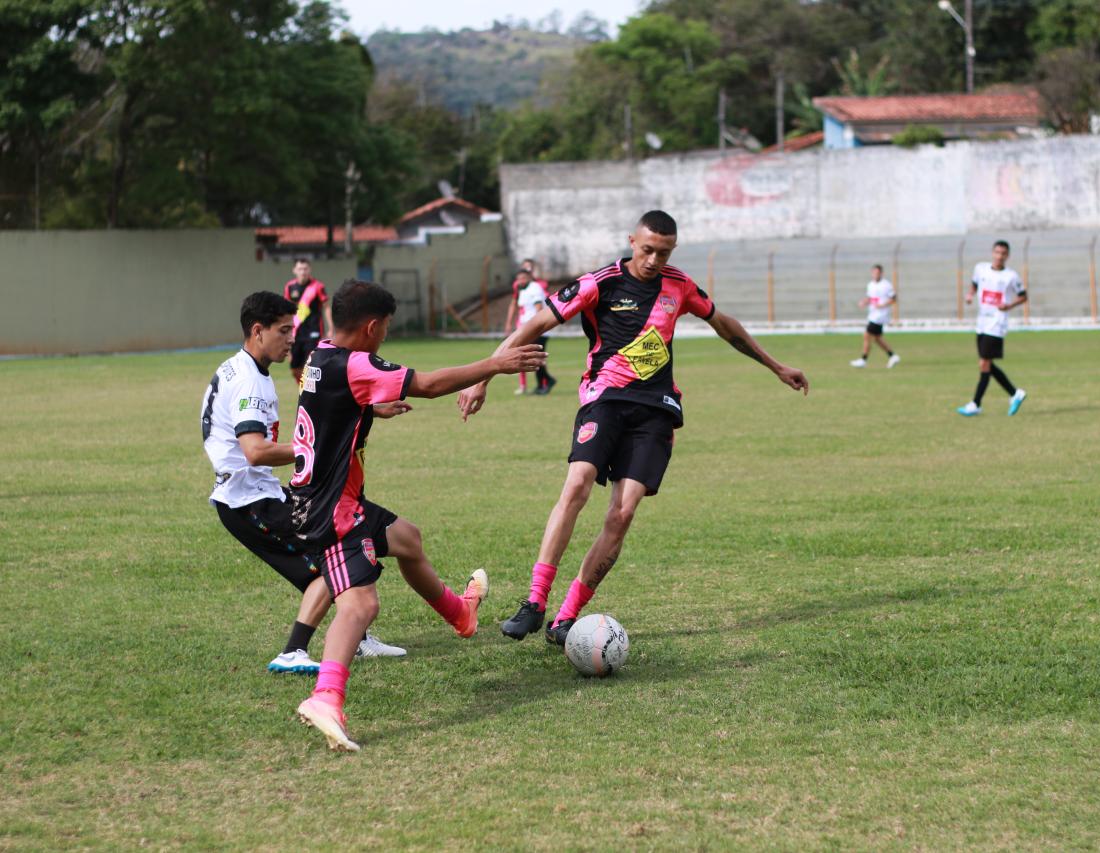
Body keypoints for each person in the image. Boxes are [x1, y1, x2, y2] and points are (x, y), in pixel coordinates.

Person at [456, 210, 810, 647]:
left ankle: (566, 618)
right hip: (604, 400)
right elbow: (534, 325)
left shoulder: (678, 285)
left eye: (663, 252)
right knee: (578, 484)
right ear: (631, 241)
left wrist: (776, 366)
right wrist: (484, 376)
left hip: (657, 410)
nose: (653, 260)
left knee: (621, 514)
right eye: (647, 250)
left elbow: (724, 325)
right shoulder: (599, 283)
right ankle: (534, 602)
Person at [290, 279, 546, 751]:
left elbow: (333, 408)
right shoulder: (356, 362)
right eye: (384, 330)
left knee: (406, 538)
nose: (384, 337)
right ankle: (326, 696)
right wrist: (496, 364)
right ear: (370, 327)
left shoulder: (320, 355)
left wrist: (370, 410)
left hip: (321, 497)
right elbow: (426, 385)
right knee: (361, 605)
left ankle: (461, 615)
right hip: (332, 510)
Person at [199, 292, 408, 676]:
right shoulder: (250, 383)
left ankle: (355, 638)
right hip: (250, 500)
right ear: (257, 331)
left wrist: (366, 409)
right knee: (334, 558)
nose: (292, 338)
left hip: (250, 495)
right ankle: (296, 650)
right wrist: (313, 450)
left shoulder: (235, 367)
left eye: (292, 329)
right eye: (283, 330)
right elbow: (256, 451)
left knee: (329, 561)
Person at [957, 240, 1029, 417]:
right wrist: (970, 294)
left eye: (1003, 253)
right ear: (992, 253)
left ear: (1007, 256)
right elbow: (974, 284)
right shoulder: (980, 268)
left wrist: (1009, 305)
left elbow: (1023, 296)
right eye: (997, 252)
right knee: (986, 363)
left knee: (984, 363)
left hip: (997, 323)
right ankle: (1015, 393)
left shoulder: (1011, 276)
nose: (999, 256)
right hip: (982, 321)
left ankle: (976, 403)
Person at [504, 269, 557, 395]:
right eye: (519, 279)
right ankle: (542, 384)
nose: (520, 281)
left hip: (538, 329)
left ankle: (547, 381)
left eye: (523, 278)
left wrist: (537, 328)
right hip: (529, 329)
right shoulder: (523, 290)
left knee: (535, 357)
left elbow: (539, 309)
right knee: (533, 357)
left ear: (529, 278)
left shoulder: (535, 288)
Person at [283, 259, 333, 385]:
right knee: (295, 368)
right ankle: (304, 390)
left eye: (305, 269)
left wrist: (331, 327)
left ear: (309, 270)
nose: (303, 272)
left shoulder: (318, 286)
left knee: (310, 365)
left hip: (313, 331)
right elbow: (286, 309)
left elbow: (326, 306)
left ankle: (311, 395)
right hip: (296, 332)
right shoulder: (290, 287)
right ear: (294, 270)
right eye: (300, 269)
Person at [850, 264, 900, 369]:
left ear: (881, 273)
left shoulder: (886, 285)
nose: (875, 275)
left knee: (866, 335)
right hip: (872, 314)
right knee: (877, 338)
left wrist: (882, 305)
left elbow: (894, 298)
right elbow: (871, 298)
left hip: (880, 316)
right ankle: (893, 356)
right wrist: (864, 302)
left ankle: (863, 360)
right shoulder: (870, 285)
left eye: (877, 273)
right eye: (874, 273)